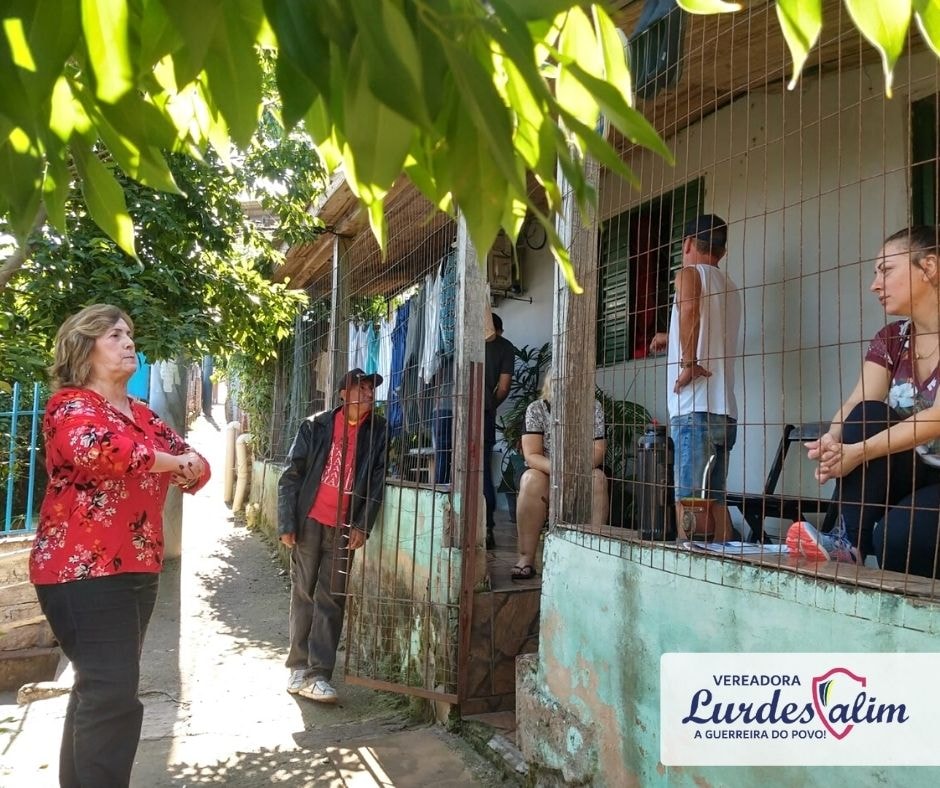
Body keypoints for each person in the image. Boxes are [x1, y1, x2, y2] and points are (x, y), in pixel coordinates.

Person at [29, 304, 210, 788]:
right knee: (113, 692)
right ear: (84, 348)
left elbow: (199, 468)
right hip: (80, 569)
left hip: (137, 566)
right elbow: (101, 454)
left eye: (129, 334)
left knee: (99, 688)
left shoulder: (144, 415)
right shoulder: (70, 405)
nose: (129, 342)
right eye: (114, 335)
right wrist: (174, 461)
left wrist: (178, 462)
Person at [789, 227, 940, 577]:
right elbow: (860, 401)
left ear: (929, 267)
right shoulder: (892, 339)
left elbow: (936, 417)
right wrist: (833, 440)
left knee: (896, 535)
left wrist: (858, 452)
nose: (875, 284)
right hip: (911, 470)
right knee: (867, 414)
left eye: (886, 270)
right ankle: (846, 543)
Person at [278, 368, 388, 703]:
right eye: (361, 387)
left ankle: (319, 674)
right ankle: (298, 666)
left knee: (332, 598)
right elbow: (291, 475)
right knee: (304, 593)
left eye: (371, 388)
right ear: (343, 393)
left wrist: (362, 525)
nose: (368, 394)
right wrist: (287, 523)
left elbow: (378, 479)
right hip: (310, 519)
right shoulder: (316, 425)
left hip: (344, 527)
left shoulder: (379, 429)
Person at [650, 214, 741, 541]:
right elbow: (704, 323)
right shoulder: (729, 286)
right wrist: (669, 335)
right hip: (724, 412)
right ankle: (726, 569)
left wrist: (689, 363)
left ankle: (689, 566)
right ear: (722, 251)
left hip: (694, 410)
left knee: (689, 501)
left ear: (687, 243)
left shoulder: (688, 274)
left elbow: (690, 310)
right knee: (716, 502)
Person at [512, 368, 608, 579]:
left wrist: (575, 470)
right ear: (550, 383)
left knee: (598, 479)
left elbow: (598, 450)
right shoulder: (536, 409)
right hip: (546, 469)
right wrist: (559, 471)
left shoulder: (594, 408)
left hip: (582, 468)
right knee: (530, 480)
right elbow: (532, 454)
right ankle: (526, 557)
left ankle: (592, 556)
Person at [484, 313, 515, 549]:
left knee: (449, 468)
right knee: (482, 469)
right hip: (484, 413)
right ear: (499, 329)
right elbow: (504, 387)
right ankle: (486, 529)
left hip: (450, 410)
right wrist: (489, 405)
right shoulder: (505, 347)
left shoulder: (464, 341)